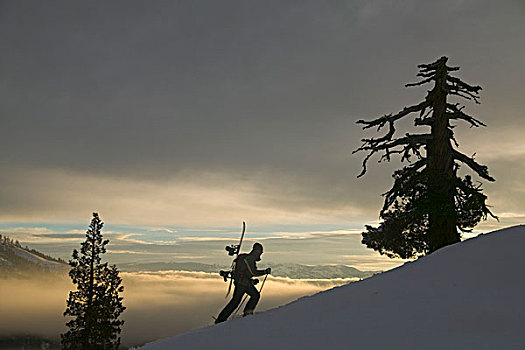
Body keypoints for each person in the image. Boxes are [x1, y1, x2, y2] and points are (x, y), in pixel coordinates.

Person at [215, 242, 271, 323]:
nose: (261, 254)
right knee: (255, 296)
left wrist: (252, 281)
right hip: (243, 284)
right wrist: (265, 271)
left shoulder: (247, 258)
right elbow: (253, 272)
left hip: (241, 282)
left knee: (235, 302)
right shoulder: (250, 259)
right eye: (260, 252)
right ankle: (247, 313)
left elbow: (246, 273)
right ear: (257, 251)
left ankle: (221, 319)